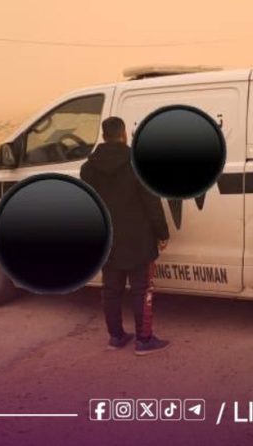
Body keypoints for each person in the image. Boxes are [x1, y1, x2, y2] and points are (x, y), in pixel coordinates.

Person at [81, 116, 170, 355]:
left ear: (104, 136)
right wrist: (162, 233)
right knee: (142, 290)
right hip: (139, 240)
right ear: (123, 135)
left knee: (111, 291)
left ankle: (116, 337)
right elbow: (152, 203)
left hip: (107, 240)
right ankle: (144, 340)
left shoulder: (88, 169)